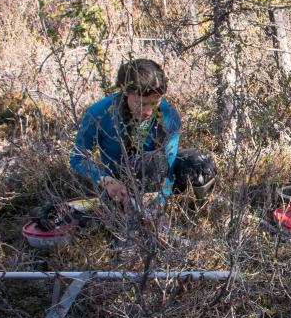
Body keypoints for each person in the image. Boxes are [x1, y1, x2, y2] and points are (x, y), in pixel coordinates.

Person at [70, 59, 217, 211]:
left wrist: (161, 200)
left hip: (157, 177)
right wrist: (105, 180)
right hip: (117, 184)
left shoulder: (169, 115)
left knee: (200, 163)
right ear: (125, 91)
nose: (149, 112)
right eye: (141, 104)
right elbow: (78, 157)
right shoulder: (99, 113)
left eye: (155, 103)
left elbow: (169, 163)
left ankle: (193, 211)